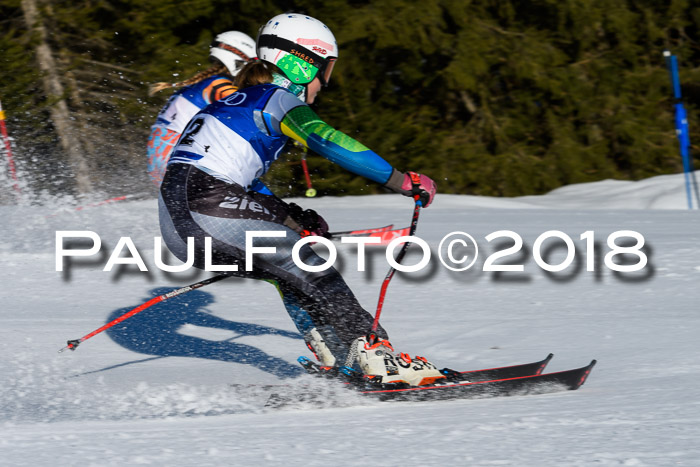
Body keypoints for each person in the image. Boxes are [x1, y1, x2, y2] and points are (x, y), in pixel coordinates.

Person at [158, 13, 442, 386]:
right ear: (303, 62)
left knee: (291, 269)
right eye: (326, 69)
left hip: (176, 222)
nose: (325, 83)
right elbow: (328, 140)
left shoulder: (231, 103)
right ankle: (376, 356)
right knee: (304, 260)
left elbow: (238, 183)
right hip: (206, 207)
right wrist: (401, 180)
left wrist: (291, 217)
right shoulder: (275, 99)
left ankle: (336, 355)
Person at [146, 31, 256, 186]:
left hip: (160, 152)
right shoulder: (218, 84)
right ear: (239, 60)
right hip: (175, 155)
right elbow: (250, 107)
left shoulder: (202, 83)